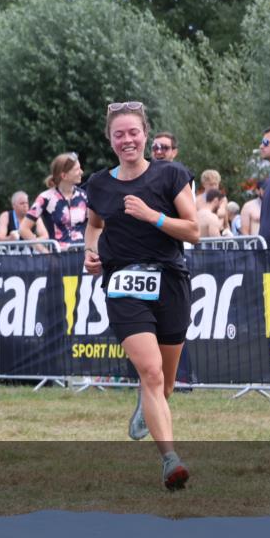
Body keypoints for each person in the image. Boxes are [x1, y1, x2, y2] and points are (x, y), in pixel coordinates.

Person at [83, 101, 198, 490]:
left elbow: (194, 230)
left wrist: (153, 216)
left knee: (163, 383)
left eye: (133, 132)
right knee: (150, 372)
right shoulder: (99, 183)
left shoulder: (170, 175)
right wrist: (91, 252)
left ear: (146, 135)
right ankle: (171, 460)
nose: (127, 139)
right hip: (123, 286)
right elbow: (94, 224)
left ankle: (145, 406)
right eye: (119, 134)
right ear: (110, 140)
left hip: (170, 281)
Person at [19, 152, 88, 250]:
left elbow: (94, 226)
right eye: (77, 169)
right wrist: (44, 251)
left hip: (83, 257)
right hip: (58, 260)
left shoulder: (84, 196)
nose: (81, 172)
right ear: (64, 176)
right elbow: (23, 229)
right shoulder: (45, 198)